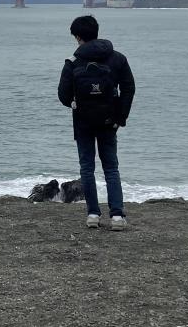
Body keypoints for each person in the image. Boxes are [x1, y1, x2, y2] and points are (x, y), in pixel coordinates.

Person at [57, 14, 135, 230]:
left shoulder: (73, 62)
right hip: (109, 122)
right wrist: (121, 117)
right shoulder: (118, 58)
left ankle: (93, 215)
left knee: (87, 168)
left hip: (82, 122)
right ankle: (117, 216)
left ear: (78, 36)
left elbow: (63, 95)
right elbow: (129, 88)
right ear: (96, 32)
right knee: (111, 168)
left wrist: (76, 103)